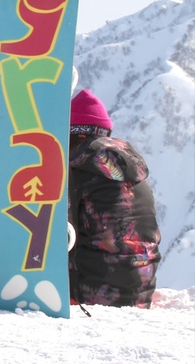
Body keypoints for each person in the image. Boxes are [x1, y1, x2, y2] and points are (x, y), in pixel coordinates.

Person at [67, 89, 162, 307]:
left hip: (92, 296)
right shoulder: (134, 170)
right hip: (141, 293)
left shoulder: (77, 171)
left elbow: (53, 241)